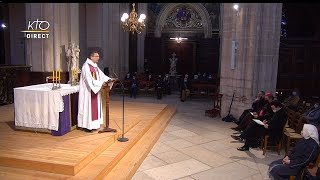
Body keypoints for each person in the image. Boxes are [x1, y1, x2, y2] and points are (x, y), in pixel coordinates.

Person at [77, 51, 117, 132]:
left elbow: (101, 75)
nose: (98, 58)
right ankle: (88, 126)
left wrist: (109, 79)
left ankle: (94, 125)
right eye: (96, 56)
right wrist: (101, 84)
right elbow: (89, 80)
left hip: (94, 91)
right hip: (88, 92)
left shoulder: (94, 66)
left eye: (98, 56)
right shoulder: (86, 67)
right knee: (89, 108)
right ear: (91, 57)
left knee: (95, 108)